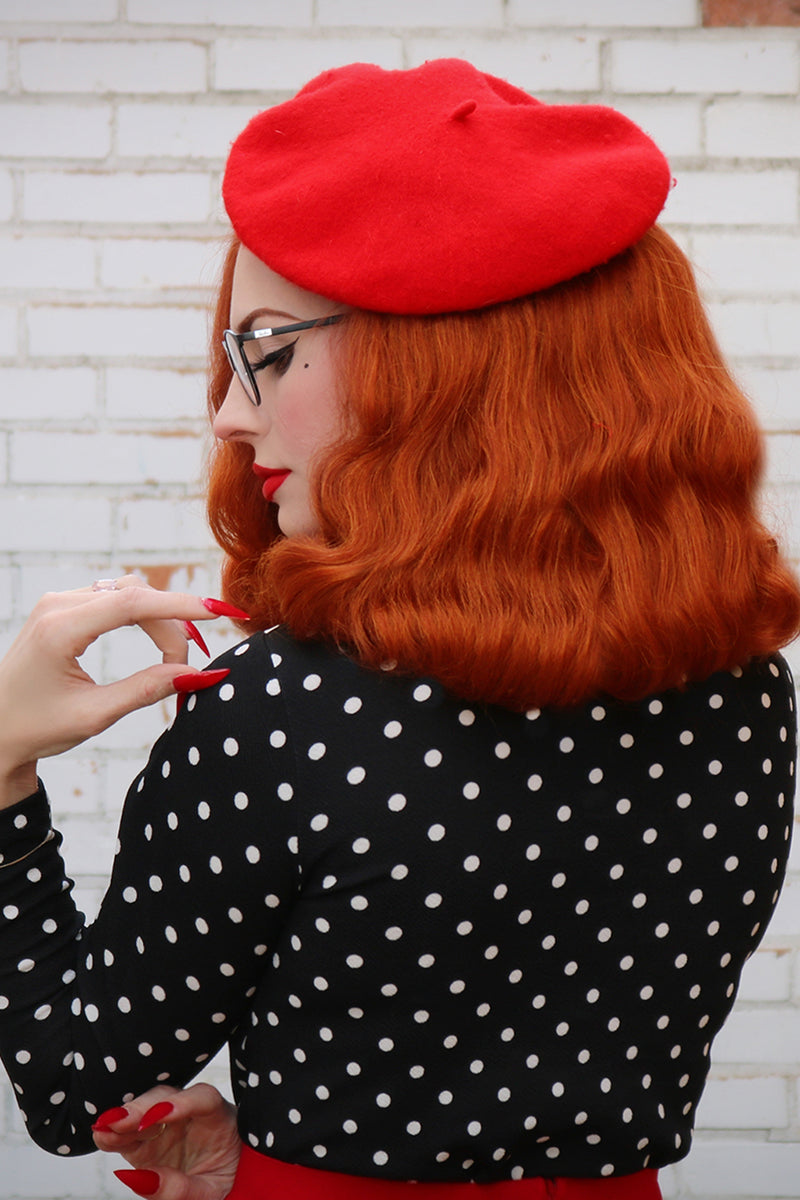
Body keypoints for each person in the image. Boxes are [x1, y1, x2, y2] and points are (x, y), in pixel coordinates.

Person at [0, 58, 798, 1200]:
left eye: (265, 350)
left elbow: (80, 1090)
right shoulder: (737, 690)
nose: (229, 412)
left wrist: (4, 783)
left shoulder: (283, 717)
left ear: (443, 372)